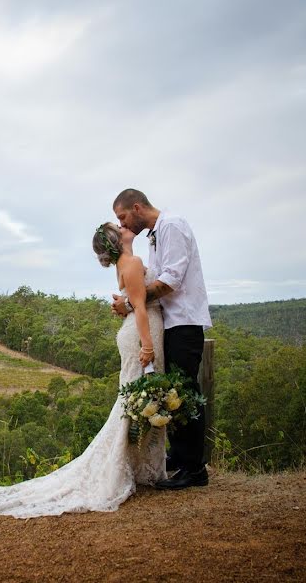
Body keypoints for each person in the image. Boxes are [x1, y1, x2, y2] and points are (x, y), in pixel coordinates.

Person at [0, 222, 167, 518]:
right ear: (117, 239)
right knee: (137, 399)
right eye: (118, 225)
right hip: (143, 333)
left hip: (136, 332)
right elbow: (140, 307)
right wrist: (148, 347)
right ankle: (133, 468)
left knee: (135, 400)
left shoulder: (125, 264)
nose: (124, 225)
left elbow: (131, 301)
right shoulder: (132, 262)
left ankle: (143, 467)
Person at [111, 188, 212, 490]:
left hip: (185, 321)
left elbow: (171, 280)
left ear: (137, 207)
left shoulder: (172, 226)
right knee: (174, 392)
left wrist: (130, 303)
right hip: (170, 322)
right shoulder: (156, 233)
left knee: (186, 392)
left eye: (123, 217)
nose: (123, 224)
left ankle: (195, 469)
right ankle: (180, 457)